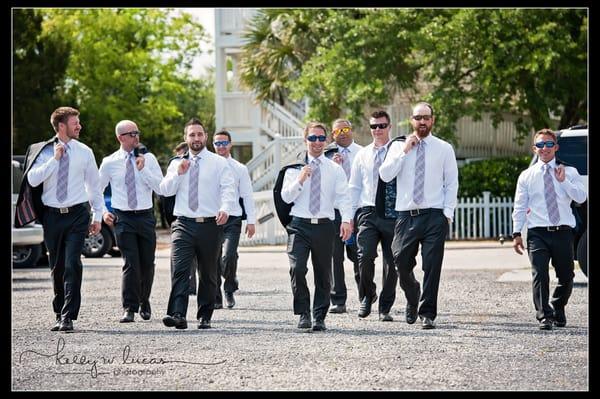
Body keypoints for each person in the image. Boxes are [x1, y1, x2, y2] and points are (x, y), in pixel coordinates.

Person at [380, 102, 458, 329]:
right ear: (411, 121)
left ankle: (427, 313)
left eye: (426, 117)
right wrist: (405, 151)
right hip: (406, 214)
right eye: (418, 118)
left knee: (432, 266)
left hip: (434, 215)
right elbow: (385, 176)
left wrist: (447, 214)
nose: (422, 122)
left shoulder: (444, 148)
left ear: (432, 120)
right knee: (400, 261)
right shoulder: (397, 147)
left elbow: (452, 182)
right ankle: (413, 293)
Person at [25, 106, 103, 332]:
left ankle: (68, 316)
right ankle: (59, 312)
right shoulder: (43, 151)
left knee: (72, 264)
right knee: (57, 267)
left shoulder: (85, 151)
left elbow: (94, 186)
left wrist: (97, 214)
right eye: (75, 123)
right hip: (52, 217)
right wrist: (54, 160)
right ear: (61, 126)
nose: (79, 126)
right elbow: (32, 180)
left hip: (78, 215)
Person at [159, 118, 236, 330]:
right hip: (183, 223)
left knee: (209, 273)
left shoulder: (219, 163)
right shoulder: (176, 163)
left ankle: (205, 315)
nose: (196, 138)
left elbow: (228, 189)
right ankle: (177, 314)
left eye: (199, 134)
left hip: (210, 224)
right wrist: (178, 174)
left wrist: (226, 208)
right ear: (186, 138)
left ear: (205, 137)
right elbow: (165, 190)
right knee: (180, 270)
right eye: (192, 135)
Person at [511, 128, 587, 330]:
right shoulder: (526, 176)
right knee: (540, 274)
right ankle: (544, 315)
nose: (545, 148)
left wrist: (564, 182)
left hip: (562, 231)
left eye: (549, 144)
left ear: (556, 147)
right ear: (534, 149)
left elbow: (581, 197)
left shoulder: (569, 172)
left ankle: (557, 305)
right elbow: (519, 205)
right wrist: (517, 233)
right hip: (537, 232)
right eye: (540, 145)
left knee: (567, 277)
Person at [281, 122, 353, 331]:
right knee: (297, 268)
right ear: (306, 141)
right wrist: (301, 180)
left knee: (323, 273)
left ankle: (319, 316)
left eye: (321, 138)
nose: (317, 142)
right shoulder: (294, 169)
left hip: (324, 226)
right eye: (313, 138)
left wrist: (347, 220)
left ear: (326, 141)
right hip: (299, 225)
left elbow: (343, 197)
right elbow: (286, 197)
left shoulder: (334, 169)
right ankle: (304, 313)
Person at [98, 120, 164, 323]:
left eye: (137, 132)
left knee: (147, 263)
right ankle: (129, 307)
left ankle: (144, 299)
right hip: (122, 217)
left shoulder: (149, 159)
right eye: (132, 133)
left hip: (144, 215)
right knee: (130, 263)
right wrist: (102, 212)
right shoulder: (109, 162)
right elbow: (95, 190)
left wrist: (143, 169)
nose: (137, 136)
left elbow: (161, 188)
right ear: (120, 137)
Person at [348, 110, 404, 322]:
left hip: (392, 213)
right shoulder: (362, 154)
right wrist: (350, 216)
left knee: (392, 262)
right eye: (374, 126)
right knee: (364, 256)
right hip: (368, 212)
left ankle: (385, 307)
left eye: (381, 126)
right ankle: (367, 294)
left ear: (390, 127)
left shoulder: (398, 151)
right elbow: (354, 187)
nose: (377, 130)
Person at [212, 130, 256, 309]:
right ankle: (215, 296)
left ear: (230, 144)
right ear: (213, 145)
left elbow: (247, 195)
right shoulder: (209, 165)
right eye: (217, 143)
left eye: (224, 143)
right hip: (212, 218)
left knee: (229, 255)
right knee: (212, 258)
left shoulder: (239, 168)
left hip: (233, 218)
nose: (221, 146)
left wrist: (251, 221)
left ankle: (229, 287)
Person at [326, 119, 363, 314]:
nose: (342, 133)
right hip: (335, 212)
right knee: (335, 257)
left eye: (346, 129)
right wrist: (332, 167)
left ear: (352, 130)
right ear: (333, 135)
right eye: (337, 131)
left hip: (357, 211)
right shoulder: (326, 156)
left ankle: (366, 293)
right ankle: (338, 300)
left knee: (360, 256)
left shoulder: (363, 152)